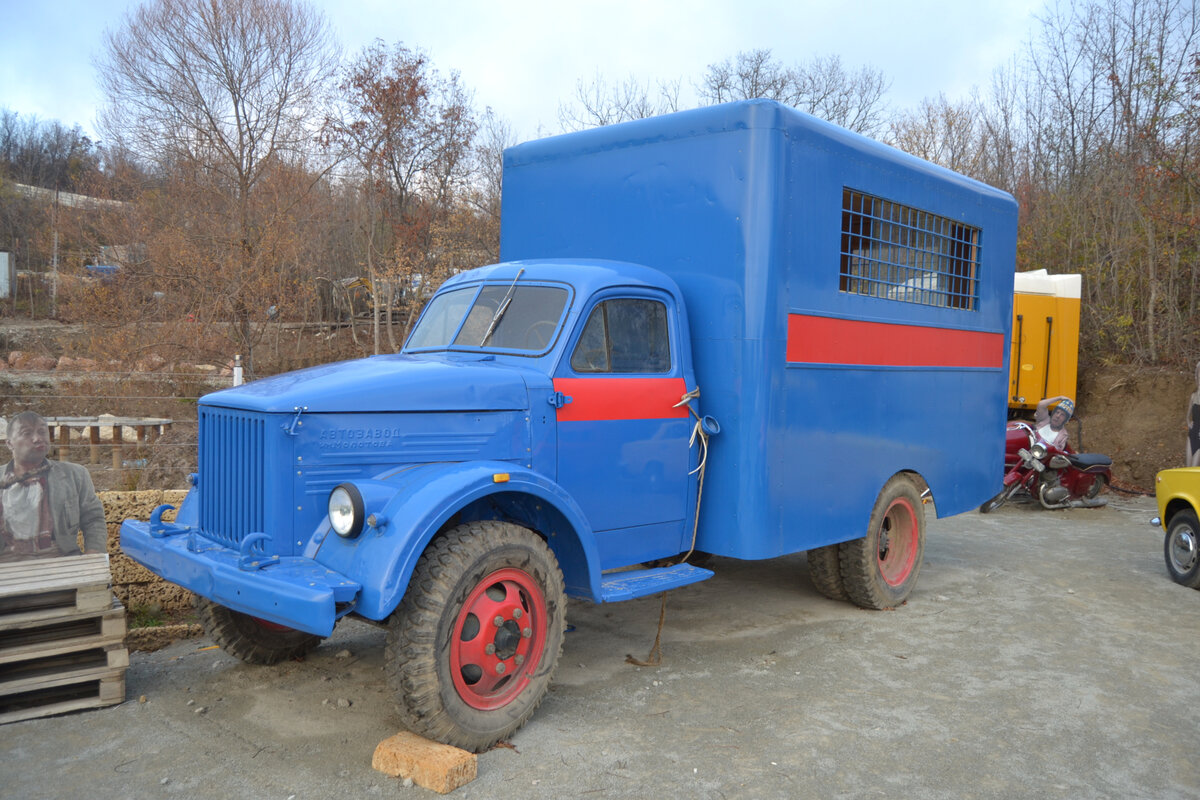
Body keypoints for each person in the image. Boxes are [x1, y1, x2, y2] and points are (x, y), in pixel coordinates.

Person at [0, 411, 106, 560]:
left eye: (42, 432)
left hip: (60, 558)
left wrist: (94, 553)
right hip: (7, 563)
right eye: (27, 433)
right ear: (9, 443)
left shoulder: (74, 475)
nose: (37, 438)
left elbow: (93, 519)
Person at [1188, 361, 1200, 468]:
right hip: (1192, 434)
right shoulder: (1193, 396)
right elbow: (1187, 416)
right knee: (1187, 468)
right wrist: (1189, 423)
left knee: (1193, 469)